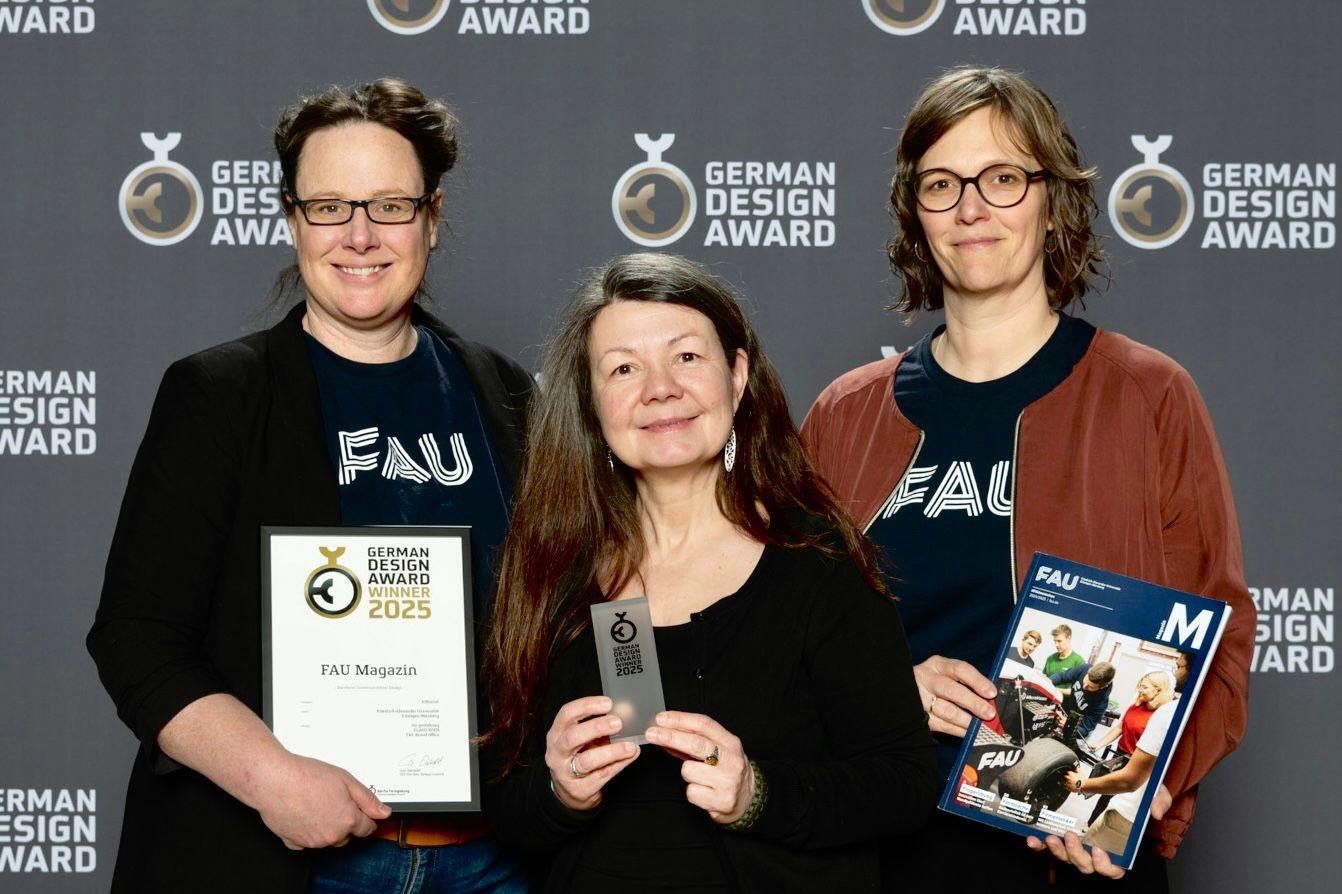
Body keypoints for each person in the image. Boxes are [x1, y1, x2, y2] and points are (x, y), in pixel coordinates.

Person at [800, 67, 1254, 887]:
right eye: (942, 184)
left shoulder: (1147, 395)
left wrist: (1142, 788)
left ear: (1052, 201)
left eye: (1002, 178)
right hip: (877, 851)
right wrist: (888, 691)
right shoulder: (845, 416)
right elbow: (785, 651)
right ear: (914, 211)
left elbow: (1218, 642)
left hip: (1067, 852)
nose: (971, 207)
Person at [87, 79, 532, 893]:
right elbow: (137, 639)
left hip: (488, 859)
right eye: (329, 207)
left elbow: (584, 603)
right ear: (292, 219)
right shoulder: (218, 395)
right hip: (279, 857)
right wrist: (273, 780)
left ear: (432, 218)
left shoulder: (506, 394)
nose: (359, 235)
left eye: (390, 206)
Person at [481, 253, 938, 892]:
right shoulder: (552, 568)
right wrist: (558, 791)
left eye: (687, 357)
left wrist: (758, 792)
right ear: (591, 402)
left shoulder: (817, 563)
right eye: (623, 368)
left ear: (738, 373)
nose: (660, 388)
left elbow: (905, 784)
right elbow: (503, 803)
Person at [1051, 661, 1116, 742]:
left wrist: (1069, 726)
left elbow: (1084, 731)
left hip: (1072, 733)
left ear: (1102, 687)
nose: (1084, 687)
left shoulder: (1100, 704)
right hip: (1064, 712)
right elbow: (1062, 676)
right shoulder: (1084, 668)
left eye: (1091, 687)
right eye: (1085, 680)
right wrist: (1047, 682)